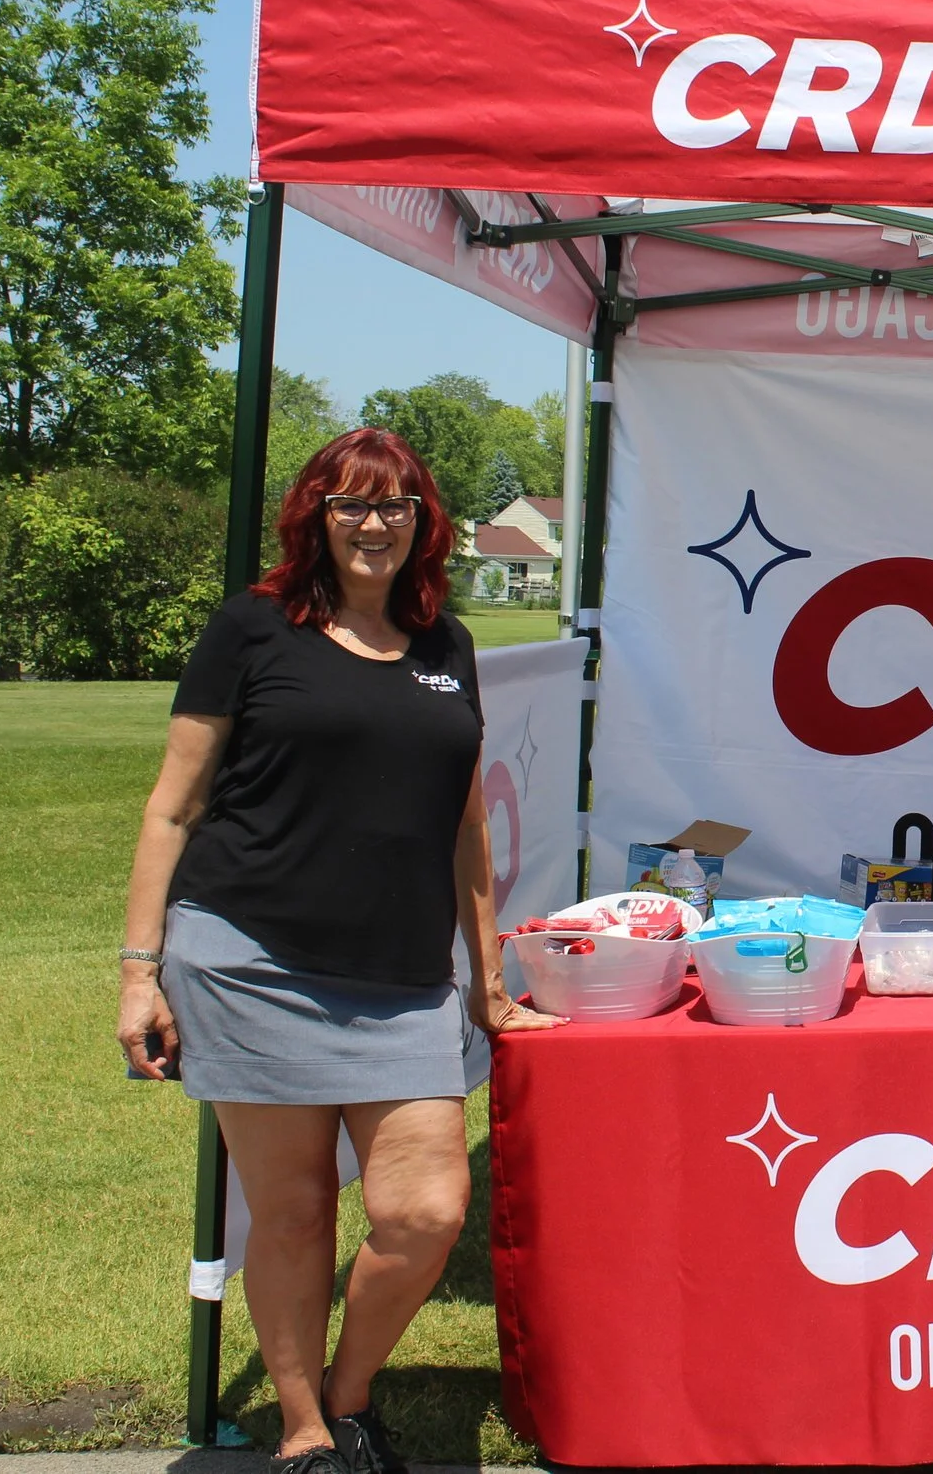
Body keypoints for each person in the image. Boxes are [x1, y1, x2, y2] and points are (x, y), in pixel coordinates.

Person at [116, 428, 560, 1474]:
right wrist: (139, 971)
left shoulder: (445, 644)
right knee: (295, 1209)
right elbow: (173, 808)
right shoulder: (252, 628)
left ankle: (351, 1392)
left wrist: (488, 984)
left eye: (395, 504)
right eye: (351, 503)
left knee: (424, 1211)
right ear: (315, 516)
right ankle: (305, 1427)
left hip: (403, 980)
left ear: (423, 522)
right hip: (248, 958)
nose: (374, 523)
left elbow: (467, 827)